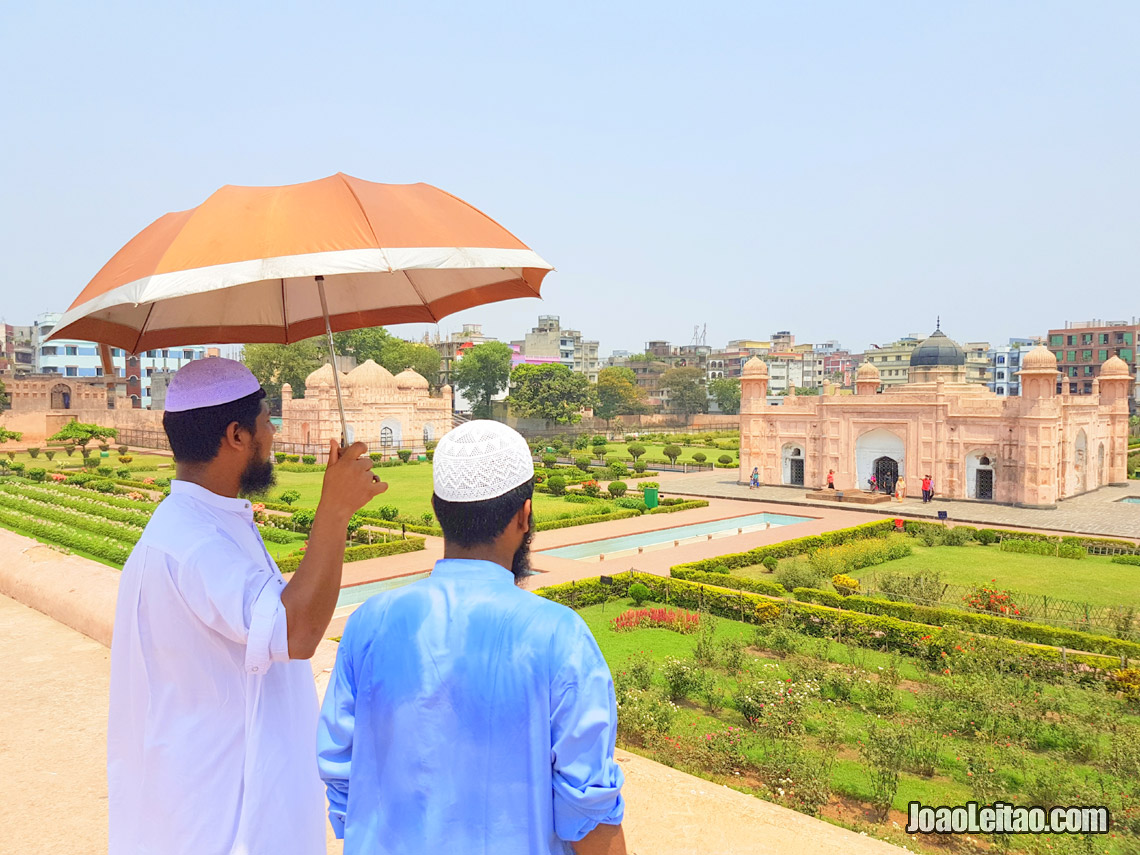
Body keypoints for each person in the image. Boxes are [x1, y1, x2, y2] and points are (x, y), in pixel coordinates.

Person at [107, 358, 387, 855]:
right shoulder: (194, 543)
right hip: (220, 822)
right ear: (237, 435)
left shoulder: (206, 522)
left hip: (222, 802)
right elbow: (295, 631)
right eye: (266, 421)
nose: (275, 433)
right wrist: (335, 510)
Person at [318, 420, 626, 855]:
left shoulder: (370, 622)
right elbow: (588, 808)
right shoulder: (559, 636)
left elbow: (341, 769)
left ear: (437, 510)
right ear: (525, 514)